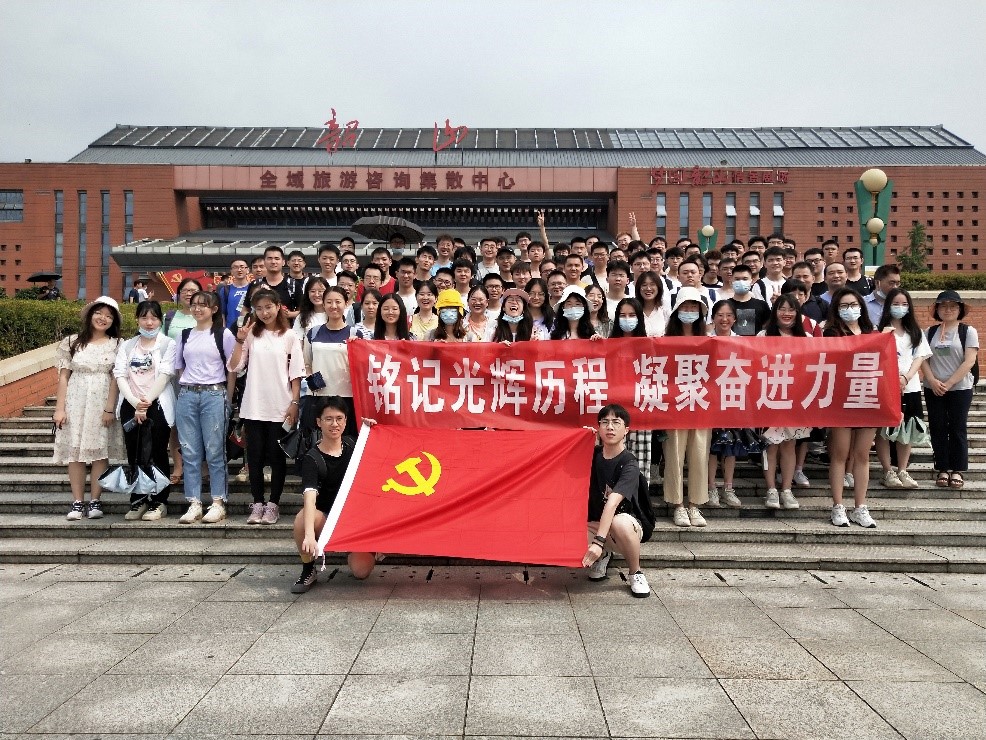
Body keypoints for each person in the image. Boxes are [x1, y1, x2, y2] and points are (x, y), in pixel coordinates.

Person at [229, 288, 305, 525]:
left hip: (280, 405)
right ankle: (258, 503)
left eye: (268, 307)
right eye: (259, 308)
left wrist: (294, 402)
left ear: (278, 306)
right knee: (254, 457)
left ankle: (273, 504)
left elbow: (296, 373)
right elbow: (235, 366)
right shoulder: (252, 334)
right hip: (254, 405)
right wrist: (240, 340)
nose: (264, 312)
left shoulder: (289, 336)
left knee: (276, 457)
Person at [292, 397, 377, 592]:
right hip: (327, 519)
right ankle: (308, 568)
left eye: (339, 418)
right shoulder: (312, 458)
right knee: (303, 518)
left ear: (346, 421)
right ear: (319, 422)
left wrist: (373, 430)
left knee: (361, 571)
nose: (334, 424)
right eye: (328, 419)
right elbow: (310, 497)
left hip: (355, 521)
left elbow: (382, 451)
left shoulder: (354, 445)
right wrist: (309, 535)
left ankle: (361, 548)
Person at [53, 297, 126, 520]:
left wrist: (109, 408)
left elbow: (115, 378)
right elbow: (63, 377)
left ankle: (95, 500)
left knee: (99, 453)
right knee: (75, 453)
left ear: (113, 321)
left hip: (102, 401)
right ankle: (77, 502)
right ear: (90, 315)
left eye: (109, 316)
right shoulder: (72, 342)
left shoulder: (117, 344)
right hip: (75, 401)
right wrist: (59, 409)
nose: (103, 318)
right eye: (99, 313)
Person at [174, 291, 238, 524]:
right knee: (190, 451)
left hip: (214, 394)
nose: (198, 309)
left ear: (214, 309)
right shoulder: (184, 335)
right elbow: (179, 367)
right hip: (188, 394)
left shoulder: (224, 334)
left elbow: (232, 369)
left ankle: (218, 502)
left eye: (203, 305)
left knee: (214, 451)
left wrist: (227, 399)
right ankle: (194, 502)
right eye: (194, 304)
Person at [113, 300, 177, 521]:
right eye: (144, 317)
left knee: (157, 453)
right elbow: (120, 374)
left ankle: (159, 501)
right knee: (135, 452)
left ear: (160, 320)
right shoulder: (127, 345)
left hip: (157, 405)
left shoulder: (168, 344)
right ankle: (138, 499)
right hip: (130, 405)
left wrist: (146, 402)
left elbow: (166, 375)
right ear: (137, 320)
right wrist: (134, 402)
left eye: (154, 318)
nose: (149, 323)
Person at [582, 403, 650, 598]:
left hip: (626, 526)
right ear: (598, 428)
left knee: (619, 522)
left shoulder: (629, 464)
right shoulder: (592, 454)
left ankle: (635, 572)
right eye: (605, 422)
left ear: (626, 430)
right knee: (567, 532)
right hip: (596, 523)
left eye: (616, 422)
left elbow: (612, 503)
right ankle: (603, 555)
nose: (610, 427)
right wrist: (582, 439)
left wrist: (598, 541)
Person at [824, 288, 879, 528]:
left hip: (867, 397)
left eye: (853, 305)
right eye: (844, 306)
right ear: (837, 309)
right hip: (841, 398)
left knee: (862, 455)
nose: (850, 310)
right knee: (840, 453)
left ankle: (860, 507)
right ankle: (838, 506)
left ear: (861, 307)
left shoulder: (872, 332)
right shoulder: (831, 332)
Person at [662, 287, 711, 527]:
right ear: (676, 310)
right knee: (674, 454)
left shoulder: (709, 340)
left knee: (700, 454)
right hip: (675, 405)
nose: (689, 311)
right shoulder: (665, 340)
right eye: (685, 307)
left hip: (702, 404)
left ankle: (695, 504)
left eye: (694, 307)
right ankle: (678, 505)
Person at [758, 295, 810, 510]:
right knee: (771, 446)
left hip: (796, 399)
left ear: (797, 313)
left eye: (791, 309)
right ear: (775, 312)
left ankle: (787, 489)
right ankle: (771, 489)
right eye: (782, 309)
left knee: (790, 445)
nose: (786, 313)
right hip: (770, 397)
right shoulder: (763, 336)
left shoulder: (806, 338)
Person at [923, 290, 978, 490]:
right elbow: (922, 359)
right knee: (937, 427)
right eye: (943, 306)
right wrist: (932, 380)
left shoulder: (968, 331)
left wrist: (949, 383)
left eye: (953, 306)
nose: (948, 310)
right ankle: (942, 468)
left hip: (960, 388)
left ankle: (958, 470)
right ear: (937, 310)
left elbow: (969, 361)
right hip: (933, 387)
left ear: (960, 309)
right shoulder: (929, 332)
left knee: (957, 427)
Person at [876, 288, 931, 490]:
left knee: (907, 428)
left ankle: (902, 469)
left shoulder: (915, 332)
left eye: (904, 304)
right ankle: (887, 470)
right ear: (888, 306)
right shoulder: (880, 330)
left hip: (910, 386)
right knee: (884, 430)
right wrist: (893, 379)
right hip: (886, 387)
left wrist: (906, 377)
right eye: (896, 304)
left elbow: (920, 357)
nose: (900, 308)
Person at [303, 286, 359, 440]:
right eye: (329, 302)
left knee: (345, 443)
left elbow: (361, 368)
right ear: (323, 304)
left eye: (338, 302)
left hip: (346, 397)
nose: (333, 306)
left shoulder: (355, 334)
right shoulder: (313, 333)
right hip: (318, 397)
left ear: (346, 303)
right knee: (316, 443)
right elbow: (307, 364)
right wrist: (313, 382)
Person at [163, 278, 203, 484]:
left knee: (200, 421)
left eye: (193, 290)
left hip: (201, 376)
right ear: (178, 295)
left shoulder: (206, 317)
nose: (189, 293)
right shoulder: (169, 317)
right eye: (185, 290)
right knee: (176, 422)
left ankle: (202, 464)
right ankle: (178, 465)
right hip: (174, 377)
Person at [706, 301, 744, 509]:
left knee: (730, 446)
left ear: (735, 319)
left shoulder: (741, 342)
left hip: (732, 398)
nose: (724, 319)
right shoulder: (706, 340)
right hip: (710, 398)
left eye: (729, 315)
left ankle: (728, 488)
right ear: (713, 318)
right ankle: (711, 487)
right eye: (720, 315)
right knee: (712, 447)